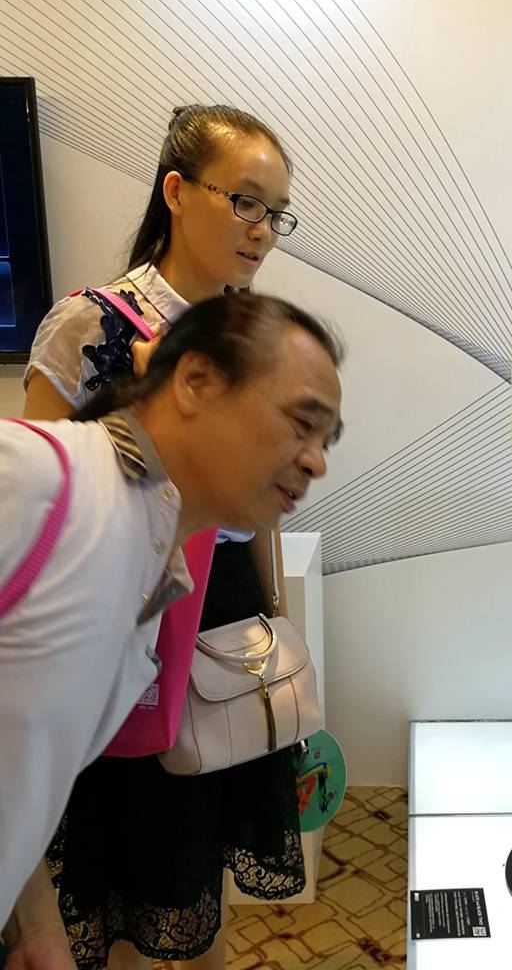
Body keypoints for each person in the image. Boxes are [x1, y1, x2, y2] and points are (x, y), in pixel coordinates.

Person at [6, 104, 318, 970]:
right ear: (177, 192)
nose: (262, 231)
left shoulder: (257, 333)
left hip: (225, 609)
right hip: (127, 619)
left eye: (277, 213)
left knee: (205, 853)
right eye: (245, 202)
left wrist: (275, 611)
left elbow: (257, 501)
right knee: (132, 877)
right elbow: (46, 502)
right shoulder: (92, 325)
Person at [0, 291, 343, 932]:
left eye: (327, 438)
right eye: (302, 423)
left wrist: (36, 923)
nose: (317, 461)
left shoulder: (158, 569)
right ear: (196, 381)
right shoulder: (33, 478)